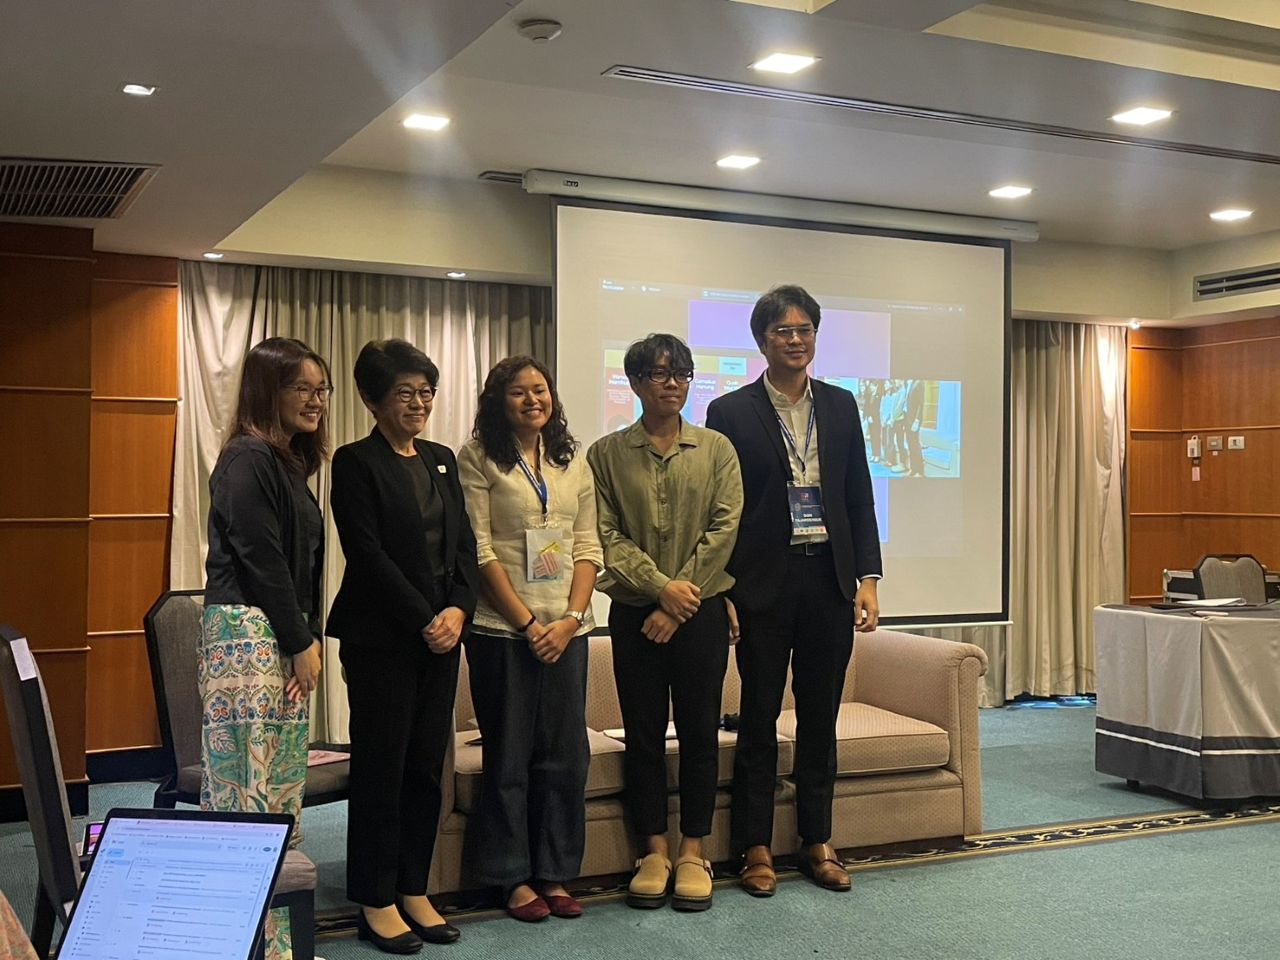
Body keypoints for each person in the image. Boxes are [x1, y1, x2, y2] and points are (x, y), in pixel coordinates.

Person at [705, 284, 882, 898]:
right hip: (761, 585)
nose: (796, 340)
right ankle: (754, 845)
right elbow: (722, 509)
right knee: (757, 717)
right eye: (783, 331)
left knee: (819, 718)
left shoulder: (841, 405)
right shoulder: (729, 412)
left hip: (828, 581)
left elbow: (858, 495)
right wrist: (723, 587)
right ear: (762, 341)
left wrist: (867, 578)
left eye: (805, 329)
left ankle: (817, 840)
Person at [327, 339, 479, 954]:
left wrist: (458, 609)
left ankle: (413, 887)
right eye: (404, 393)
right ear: (372, 399)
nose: (418, 403)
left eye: (426, 392)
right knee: (381, 768)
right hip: (382, 640)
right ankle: (375, 896)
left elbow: (464, 546)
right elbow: (366, 555)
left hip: (442, 637)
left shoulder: (441, 459)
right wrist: (426, 619)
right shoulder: (354, 462)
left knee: (424, 768)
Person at [588, 334, 743, 913]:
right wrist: (660, 590)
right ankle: (652, 850)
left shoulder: (717, 449)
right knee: (644, 734)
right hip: (636, 615)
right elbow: (605, 534)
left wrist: (679, 599)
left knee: (701, 732)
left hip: (700, 614)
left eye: (681, 373)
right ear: (634, 383)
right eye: (658, 373)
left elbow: (725, 527)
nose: (672, 383)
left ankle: (693, 850)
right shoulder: (605, 454)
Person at [456, 356, 603, 923]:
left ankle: (555, 871)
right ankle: (511, 877)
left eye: (540, 390)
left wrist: (569, 619)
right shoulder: (478, 458)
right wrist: (527, 624)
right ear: (498, 401)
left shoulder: (571, 460)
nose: (532, 400)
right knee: (510, 756)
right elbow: (479, 549)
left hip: (567, 630)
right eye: (518, 392)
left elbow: (588, 545)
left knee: (566, 757)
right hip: (503, 632)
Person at [201, 336, 329, 960]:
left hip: (278, 636)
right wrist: (301, 639)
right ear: (267, 391)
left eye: (321, 389)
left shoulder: (287, 463)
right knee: (248, 794)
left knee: (280, 791)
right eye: (301, 388)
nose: (315, 400)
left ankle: (275, 942)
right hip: (246, 637)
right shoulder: (246, 457)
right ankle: (240, 942)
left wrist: (305, 636)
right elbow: (261, 558)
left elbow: (302, 564)